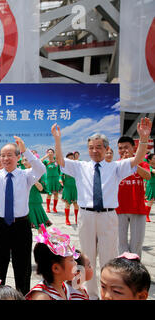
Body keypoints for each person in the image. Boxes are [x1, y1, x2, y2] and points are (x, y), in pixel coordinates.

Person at [50, 117, 152, 299]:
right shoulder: (81, 167)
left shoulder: (115, 167)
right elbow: (60, 160)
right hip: (86, 216)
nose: (94, 151)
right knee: (85, 258)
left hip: (108, 216)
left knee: (109, 257)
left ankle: (109, 292)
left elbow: (137, 160)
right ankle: (89, 293)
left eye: (98, 147)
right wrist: (57, 140)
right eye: (91, 148)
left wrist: (143, 138)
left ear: (106, 149)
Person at [0, 132, 45, 295]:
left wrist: (26, 150)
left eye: (10, 155)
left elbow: (41, 169)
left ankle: (23, 295)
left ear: (18, 157)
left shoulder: (26, 175)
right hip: (1, 225)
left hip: (21, 225)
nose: (5, 158)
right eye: (2, 156)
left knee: (23, 265)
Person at [116, 136, 151, 258]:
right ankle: (123, 271)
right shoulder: (116, 165)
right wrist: (124, 164)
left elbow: (147, 176)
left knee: (137, 243)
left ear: (133, 148)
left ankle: (135, 272)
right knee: (121, 244)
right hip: (119, 209)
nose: (123, 150)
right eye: (120, 148)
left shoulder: (142, 163)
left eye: (126, 147)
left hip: (138, 209)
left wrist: (133, 163)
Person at [25, 225, 78, 300]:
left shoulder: (63, 287)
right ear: (56, 268)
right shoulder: (42, 296)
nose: (76, 263)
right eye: (71, 260)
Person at [21, 156, 52, 231]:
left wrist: (34, 179)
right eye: (23, 160)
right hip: (24, 202)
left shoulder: (39, 173)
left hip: (35, 201)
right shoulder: (22, 172)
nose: (24, 162)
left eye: (26, 160)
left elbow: (41, 189)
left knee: (41, 225)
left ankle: (43, 241)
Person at [60, 152, 79, 225]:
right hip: (67, 187)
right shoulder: (64, 167)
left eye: (72, 158)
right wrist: (60, 180)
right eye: (69, 158)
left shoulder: (77, 166)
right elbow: (61, 175)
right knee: (67, 204)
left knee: (76, 204)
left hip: (75, 188)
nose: (71, 159)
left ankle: (77, 219)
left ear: (74, 159)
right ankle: (67, 219)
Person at [41, 148, 62, 213]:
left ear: (53, 153)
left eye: (51, 152)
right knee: (49, 194)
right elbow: (40, 161)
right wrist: (45, 156)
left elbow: (60, 170)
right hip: (49, 179)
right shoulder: (46, 162)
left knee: (56, 194)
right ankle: (48, 208)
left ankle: (54, 208)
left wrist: (60, 178)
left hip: (56, 179)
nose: (50, 153)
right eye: (48, 152)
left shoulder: (57, 161)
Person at [145, 153, 155, 222]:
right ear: (149, 160)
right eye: (154, 158)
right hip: (151, 185)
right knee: (150, 201)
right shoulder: (148, 166)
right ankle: (146, 215)